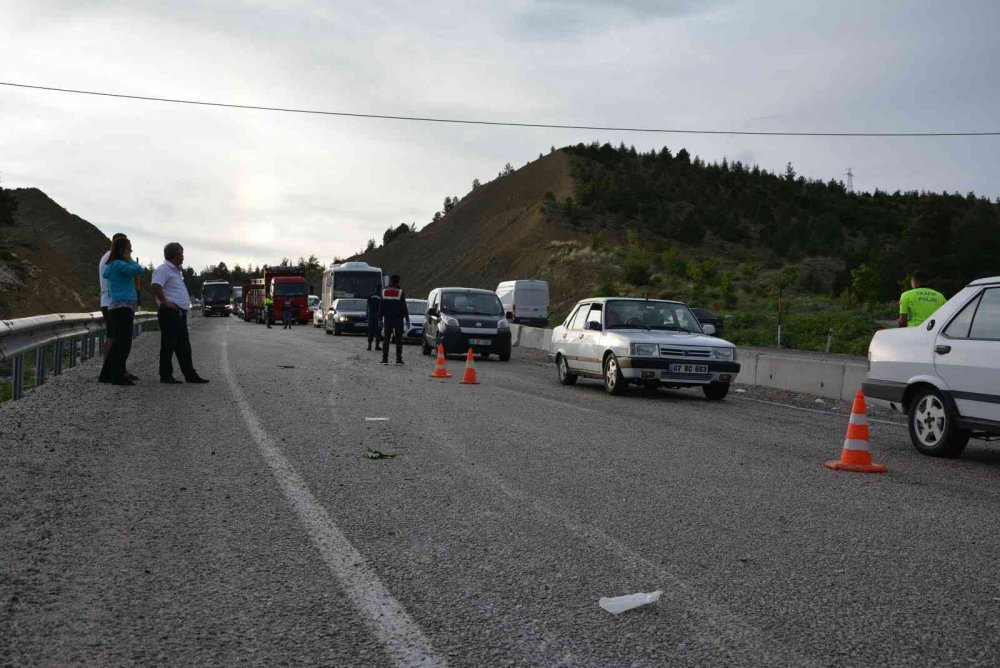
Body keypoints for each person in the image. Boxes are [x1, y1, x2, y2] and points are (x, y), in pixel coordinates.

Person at [151, 242, 209, 384]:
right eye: (181, 254)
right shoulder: (163, 269)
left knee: (183, 346)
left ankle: (190, 374)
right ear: (175, 255)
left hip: (179, 313)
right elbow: (155, 286)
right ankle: (165, 375)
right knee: (169, 344)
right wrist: (165, 302)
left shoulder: (176, 271)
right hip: (170, 312)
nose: (183, 257)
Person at [98, 237, 144, 385]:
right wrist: (129, 259)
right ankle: (117, 377)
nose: (131, 251)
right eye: (129, 248)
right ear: (121, 250)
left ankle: (106, 375)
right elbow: (139, 270)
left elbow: (107, 275)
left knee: (118, 342)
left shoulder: (111, 265)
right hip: (124, 307)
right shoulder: (119, 265)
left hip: (115, 307)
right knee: (124, 344)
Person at [379, 274, 409, 365]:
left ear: (390, 281)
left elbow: (381, 306)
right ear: (398, 281)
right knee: (399, 340)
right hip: (398, 319)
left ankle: (385, 359)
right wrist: (407, 319)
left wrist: (380, 318)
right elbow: (403, 306)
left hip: (387, 319)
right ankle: (398, 360)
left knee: (386, 339)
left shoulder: (384, 291)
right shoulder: (400, 292)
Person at [366, 284, 383, 351]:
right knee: (378, 331)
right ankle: (377, 346)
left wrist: (367, 313)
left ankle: (369, 346)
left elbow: (367, 305)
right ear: (380, 289)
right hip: (378, 316)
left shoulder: (371, 296)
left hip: (371, 316)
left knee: (371, 331)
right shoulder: (381, 296)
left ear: (375, 288)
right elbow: (382, 307)